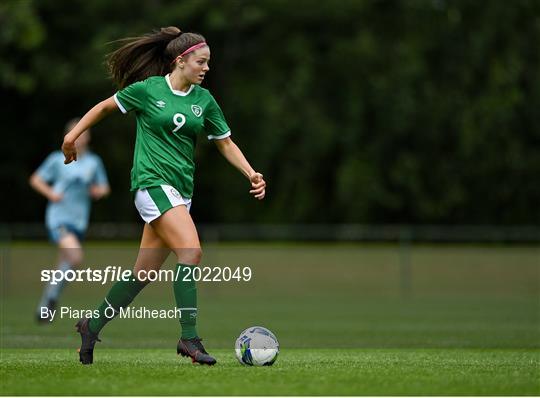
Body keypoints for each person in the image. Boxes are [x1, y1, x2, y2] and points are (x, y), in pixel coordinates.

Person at [62, 26, 266, 366]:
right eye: (201, 62)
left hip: (180, 192)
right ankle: (189, 338)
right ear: (181, 60)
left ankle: (91, 325)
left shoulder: (205, 100)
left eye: (208, 63)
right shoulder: (149, 90)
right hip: (151, 184)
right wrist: (73, 136)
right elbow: (104, 108)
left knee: (143, 274)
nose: (206, 68)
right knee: (191, 251)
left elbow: (225, 142)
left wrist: (251, 173)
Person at [30, 119, 110, 323]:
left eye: (84, 133)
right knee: (75, 257)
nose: (81, 136)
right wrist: (51, 194)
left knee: (65, 263)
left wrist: (97, 192)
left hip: (79, 221)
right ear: (70, 136)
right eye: (77, 133)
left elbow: (104, 187)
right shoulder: (57, 159)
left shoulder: (94, 162)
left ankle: (44, 306)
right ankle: (51, 300)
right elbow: (36, 180)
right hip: (59, 217)